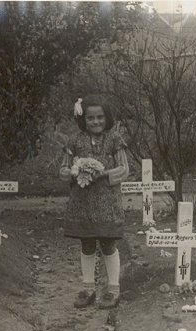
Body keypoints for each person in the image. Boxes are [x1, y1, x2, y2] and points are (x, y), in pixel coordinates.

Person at [59, 95, 129, 309]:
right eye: (91, 118)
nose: (96, 122)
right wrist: (74, 171)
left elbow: (124, 169)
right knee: (87, 242)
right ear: (83, 119)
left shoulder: (114, 139)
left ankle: (113, 289)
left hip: (107, 201)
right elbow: (63, 169)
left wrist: (103, 173)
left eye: (100, 117)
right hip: (83, 202)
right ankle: (88, 288)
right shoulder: (75, 141)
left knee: (108, 242)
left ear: (107, 118)